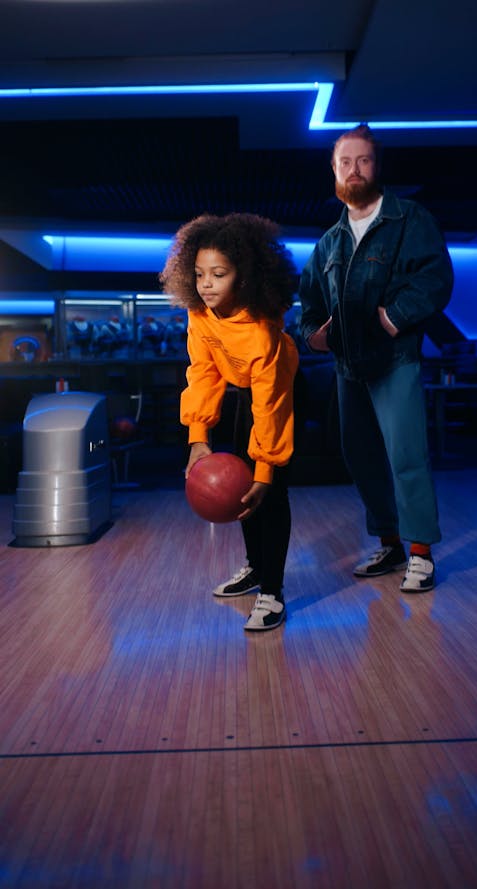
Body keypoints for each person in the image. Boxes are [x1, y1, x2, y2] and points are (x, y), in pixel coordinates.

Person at [299, 124, 454, 592]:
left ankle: (421, 551)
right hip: (348, 366)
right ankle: (389, 543)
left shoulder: (409, 219)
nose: (354, 169)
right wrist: (314, 336)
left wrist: (393, 319)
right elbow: (309, 303)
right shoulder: (329, 243)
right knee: (360, 456)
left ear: (376, 166)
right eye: (345, 161)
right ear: (333, 169)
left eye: (363, 160)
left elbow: (436, 278)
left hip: (396, 357)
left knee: (406, 454)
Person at [160, 213, 299, 630]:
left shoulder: (261, 332)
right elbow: (202, 371)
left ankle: (272, 592)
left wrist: (265, 469)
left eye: (218, 274)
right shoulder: (200, 315)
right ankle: (255, 566)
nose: (206, 284)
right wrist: (197, 437)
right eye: (200, 274)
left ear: (243, 277)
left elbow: (270, 405)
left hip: (279, 392)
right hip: (241, 389)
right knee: (240, 488)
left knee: (267, 493)